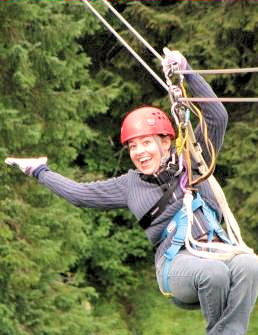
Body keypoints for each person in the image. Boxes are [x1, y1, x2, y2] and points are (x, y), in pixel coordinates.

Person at [5, 50, 258, 335]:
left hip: (216, 247)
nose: (139, 152)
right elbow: (80, 194)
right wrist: (40, 171)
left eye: (145, 143)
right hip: (178, 264)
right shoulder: (129, 185)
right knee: (213, 273)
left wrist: (186, 72)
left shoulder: (193, 158)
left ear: (166, 142)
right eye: (132, 147)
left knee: (249, 264)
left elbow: (217, 117)